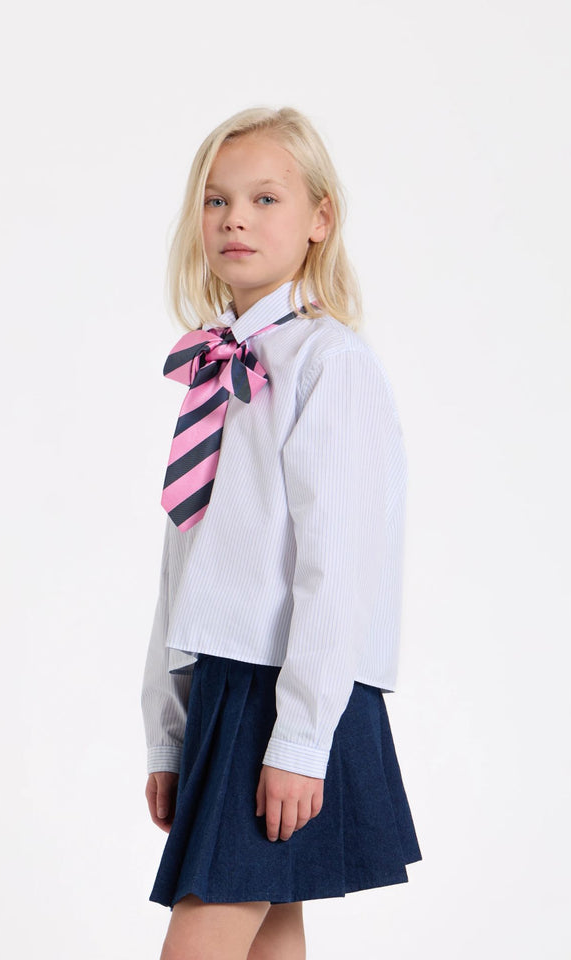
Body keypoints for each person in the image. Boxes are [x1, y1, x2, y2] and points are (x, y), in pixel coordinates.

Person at [141, 105, 422, 960]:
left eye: (266, 199)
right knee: (271, 924)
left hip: (292, 687)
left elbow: (341, 567)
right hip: (227, 683)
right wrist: (168, 726)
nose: (236, 219)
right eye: (217, 200)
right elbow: (188, 562)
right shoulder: (218, 367)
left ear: (319, 219)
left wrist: (301, 736)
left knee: (213, 921)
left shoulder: (330, 364)